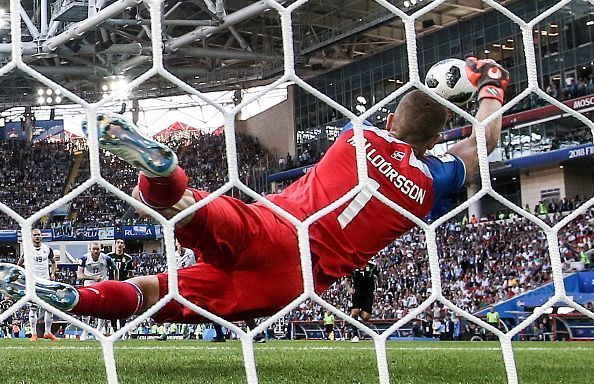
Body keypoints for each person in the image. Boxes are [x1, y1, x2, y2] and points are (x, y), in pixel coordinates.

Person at [0, 58, 509, 328]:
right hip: (293, 281)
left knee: (186, 209)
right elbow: (478, 147)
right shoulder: (428, 185)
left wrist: (451, 86)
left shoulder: (358, 137)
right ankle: (73, 299)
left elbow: (411, 120)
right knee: (158, 295)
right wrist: (491, 91)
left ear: (393, 118)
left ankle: (161, 175)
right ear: (437, 137)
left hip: (272, 227)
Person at [16, 229, 59, 341]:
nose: (37, 237)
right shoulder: (27, 250)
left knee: (49, 308)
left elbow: (53, 261)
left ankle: (48, 332)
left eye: (39, 235)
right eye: (35, 235)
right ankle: (34, 334)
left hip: (45, 281)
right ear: (31, 237)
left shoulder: (47, 249)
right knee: (33, 308)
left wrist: (53, 273)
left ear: (41, 236)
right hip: (33, 282)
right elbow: (19, 264)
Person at [77, 242, 115, 341]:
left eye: (97, 249)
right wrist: (92, 277)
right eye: (94, 249)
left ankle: (99, 330)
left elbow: (115, 269)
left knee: (102, 308)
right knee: (86, 309)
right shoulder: (84, 259)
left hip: (102, 285)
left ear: (100, 249)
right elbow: (79, 276)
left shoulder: (107, 259)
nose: (95, 251)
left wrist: (115, 281)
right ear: (90, 249)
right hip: (89, 285)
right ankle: (85, 330)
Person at [348, 260, 381, 342]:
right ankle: (355, 334)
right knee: (355, 312)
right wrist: (349, 288)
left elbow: (379, 276)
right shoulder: (353, 265)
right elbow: (346, 279)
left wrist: (379, 288)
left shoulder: (372, 266)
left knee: (365, 317)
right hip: (357, 293)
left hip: (368, 294)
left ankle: (354, 317)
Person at [106, 238, 134, 334]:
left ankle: (122, 330)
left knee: (124, 308)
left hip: (124, 285)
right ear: (115, 245)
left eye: (122, 243)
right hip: (111, 286)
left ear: (124, 246)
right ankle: (114, 329)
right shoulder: (108, 257)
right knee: (112, 308)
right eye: (118, 243)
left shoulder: (128, 258)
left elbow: (130, 274)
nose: (120, 244)